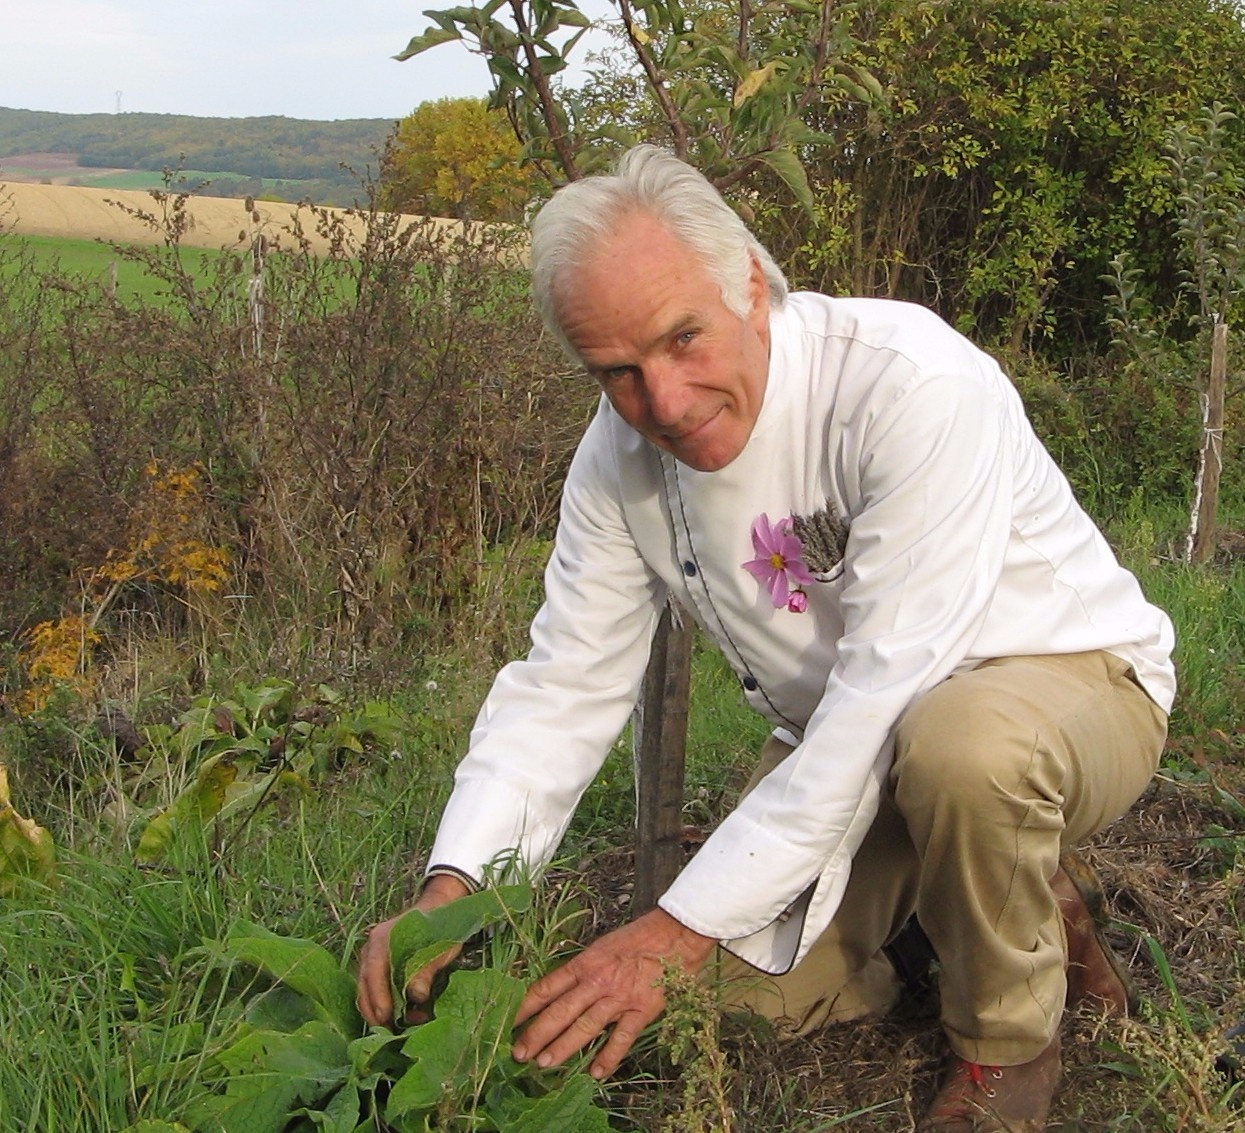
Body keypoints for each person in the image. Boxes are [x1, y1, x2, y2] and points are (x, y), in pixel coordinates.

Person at [356, 145, 1175, 1132]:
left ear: (748, 282)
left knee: (966, 753)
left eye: (683, 338)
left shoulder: (906, 382)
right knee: (718, 1004)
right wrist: (456, 887)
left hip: (1061, 679)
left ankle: (1007, 1046)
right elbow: (566, 680)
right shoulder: (615, 463)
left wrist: (675, 926)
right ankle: (997, 892)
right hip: (855, 741)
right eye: (618, 372)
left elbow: (881, 691)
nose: (664, 401)